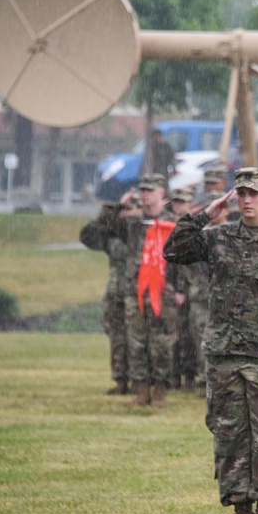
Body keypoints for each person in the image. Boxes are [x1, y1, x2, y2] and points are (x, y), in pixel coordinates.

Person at [165, 168, 258, 514]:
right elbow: (173, 249)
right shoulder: (219, 236)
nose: (247, 200)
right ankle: (239, 511)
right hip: (224, 351)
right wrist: (204, 214)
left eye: (254, 193)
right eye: (240, 193)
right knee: (229, 435)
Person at [85, 173, 180, 408]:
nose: (145, 195)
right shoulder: (132, 223)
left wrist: (181, 289)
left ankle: (160, 390)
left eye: (150, 190)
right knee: (135, 341)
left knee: (161, 342)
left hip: (163, 292)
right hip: (134, 291)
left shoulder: (173, 224)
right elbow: (94, 231)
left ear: (162, 193)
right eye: (142, 191)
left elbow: (185, 260)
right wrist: (118, 206)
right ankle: (140, 391)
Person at [79, 192, 141, 395]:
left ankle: (141, 383)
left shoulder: (144, 233)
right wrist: (113, 208)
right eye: (125, 211)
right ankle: (121, 381)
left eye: (132, 210)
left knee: (139, 339)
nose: (128, 215)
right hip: (116, 294)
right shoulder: (112, 237)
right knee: (117, 338)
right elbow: (88, 235)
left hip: (141, 294)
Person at [169, 188, 201, 390]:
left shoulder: (195, 227)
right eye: (176, 202)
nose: (179, 206)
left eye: (183, 202)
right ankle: (173, 377)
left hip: (194, 289)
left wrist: (182, 288)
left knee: (192, 335)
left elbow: (188, 263)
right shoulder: (168, 226)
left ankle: (190, 377)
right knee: (174, 334)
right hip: (170, 287)